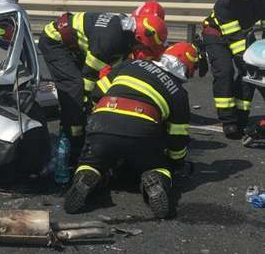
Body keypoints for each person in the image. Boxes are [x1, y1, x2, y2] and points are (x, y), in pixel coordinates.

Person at [63, 42, 199, 218]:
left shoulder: (131, 64)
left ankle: (86, 175)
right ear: (187, 68)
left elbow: (97, 92)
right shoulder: (178, 93)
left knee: (91, 161)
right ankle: (155, 181)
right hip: (141, 132)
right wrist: (175, 163)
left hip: (102, 123)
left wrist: (98, 120)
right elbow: (177, 138)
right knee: (158, 167)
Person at [38, 6, 168, 163]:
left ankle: (77, 130)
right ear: (139, 38)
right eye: (145, 48)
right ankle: (71, 137)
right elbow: (88, 78)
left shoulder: (125, 34)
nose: (143, 52)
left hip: (77, 44)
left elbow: (114, 72)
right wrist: (89, 107)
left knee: (86, 93)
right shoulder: (110, 40)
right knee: (75, 89)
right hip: (55, 41)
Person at [201, 0, 265, 139]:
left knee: (249, 73)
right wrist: (246, 58)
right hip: (217, 35)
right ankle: (228, 120)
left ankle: (241, 116)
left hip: (241, 35)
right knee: (225, 72)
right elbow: (235, 40)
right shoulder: (223, 4)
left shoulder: (263, 0)